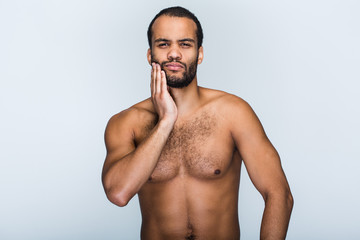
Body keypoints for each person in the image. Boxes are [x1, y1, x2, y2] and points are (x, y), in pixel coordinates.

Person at [102, 6, 293, 240]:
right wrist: (166, 121)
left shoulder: (234, 113)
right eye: (163, 44)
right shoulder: (126, 123)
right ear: (150, 54)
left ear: (199, 54)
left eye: (184, 44)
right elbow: (118, 194)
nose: (174, 53)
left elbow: (279, 194)